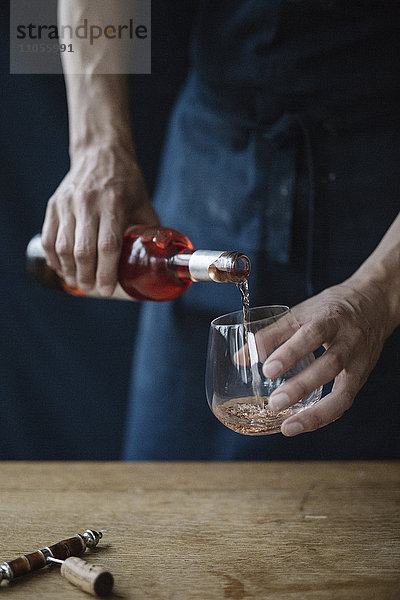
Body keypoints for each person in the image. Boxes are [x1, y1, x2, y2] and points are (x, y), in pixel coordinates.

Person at [42, 1, 400, 459]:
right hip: (218, 150)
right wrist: (96, 143)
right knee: (171, 488)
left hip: (382, 183)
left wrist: (380, 292)